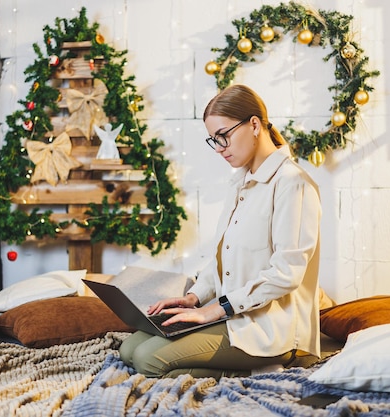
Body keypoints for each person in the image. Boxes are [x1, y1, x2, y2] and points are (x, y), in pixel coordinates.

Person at [119, 84, 322, 379]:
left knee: (148, 360)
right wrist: (195, 298)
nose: (220, 148)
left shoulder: (292, 183)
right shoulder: (241, 183)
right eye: (213, 140)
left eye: (223, 136)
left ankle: (264, 368)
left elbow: (286, 274)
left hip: (271, 328)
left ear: (254, 125)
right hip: (234, 314)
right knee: (129, 350)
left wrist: (215, 310)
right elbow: (224, 260)